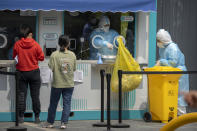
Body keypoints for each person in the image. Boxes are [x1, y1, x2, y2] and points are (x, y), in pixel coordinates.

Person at [13, 24, 44, 123]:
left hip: (21, 73)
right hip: (34, 72)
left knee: (22, 96)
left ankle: (21, 117)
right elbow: (42, 57)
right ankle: (37, 117)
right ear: (30, 34)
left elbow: (14, 57)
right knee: (35, 96)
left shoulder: (17, 44)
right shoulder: (35, 44)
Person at [43, 35, 76, 129]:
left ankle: (50, 123)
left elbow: (51, 68)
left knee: (53, 103)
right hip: (69, 84)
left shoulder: (54, 55)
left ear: (58, 43)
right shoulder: (72, 55)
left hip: (57, 84)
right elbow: (74, 68)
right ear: (68, 43)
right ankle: (64, 123)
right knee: (67, 103)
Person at [155, 29, 189, 115]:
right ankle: (172, 114)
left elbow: (173, 63)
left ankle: (182, 116)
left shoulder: (173, 48)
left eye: (158, 40)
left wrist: (161, 61)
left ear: (163, 40)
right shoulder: (163, 47)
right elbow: (165, 60)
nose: (157, 42)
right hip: (171, 74)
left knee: (180, 94)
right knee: (171, 94)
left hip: (179, 73)